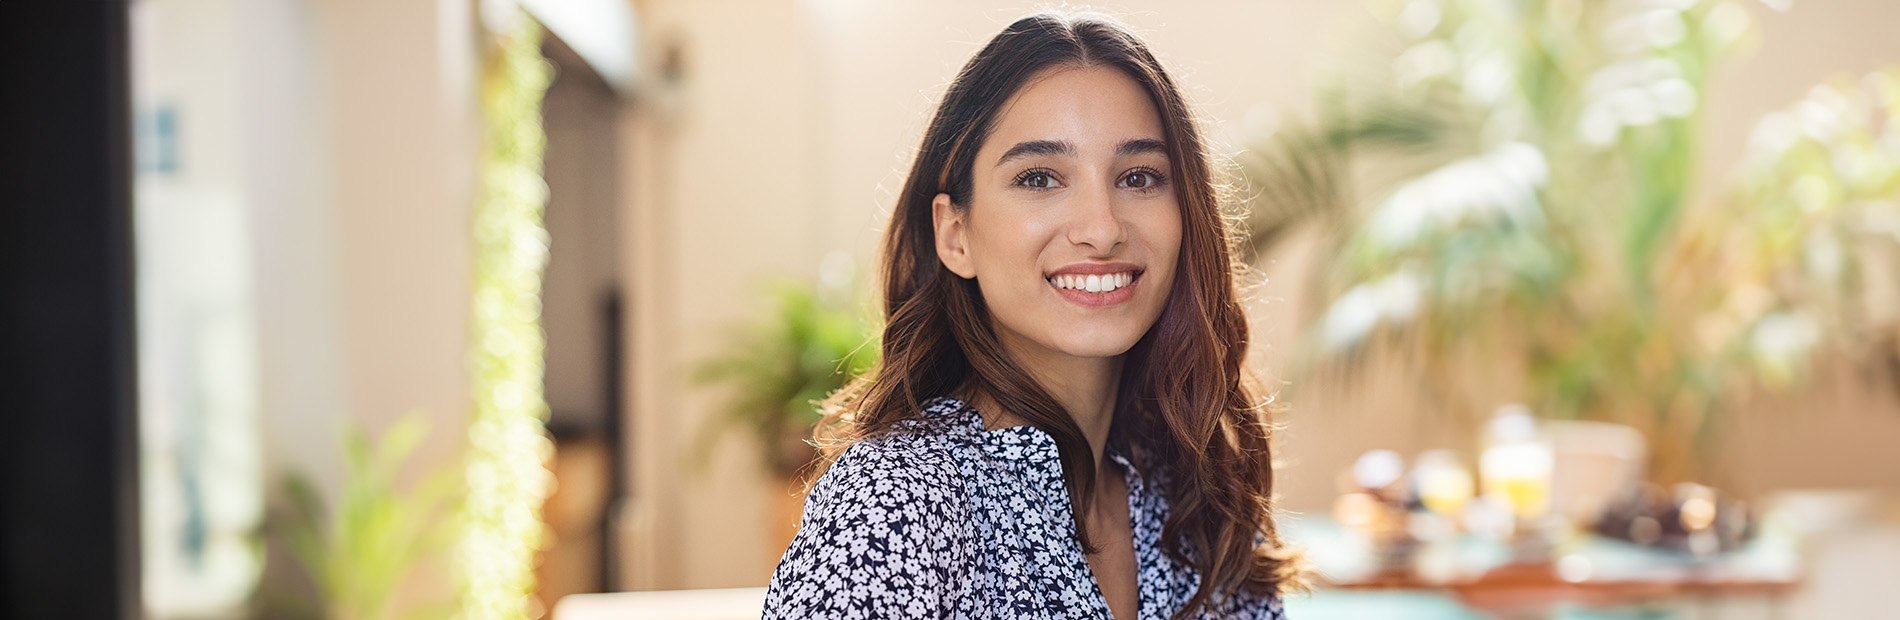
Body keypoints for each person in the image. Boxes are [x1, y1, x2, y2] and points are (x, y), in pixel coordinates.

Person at [764, 11, 1298, 620]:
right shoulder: (893, 505)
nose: (1101, 229)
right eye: (1040, 177)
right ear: (956, 234)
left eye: (1139, 177)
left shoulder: (1200, 497)